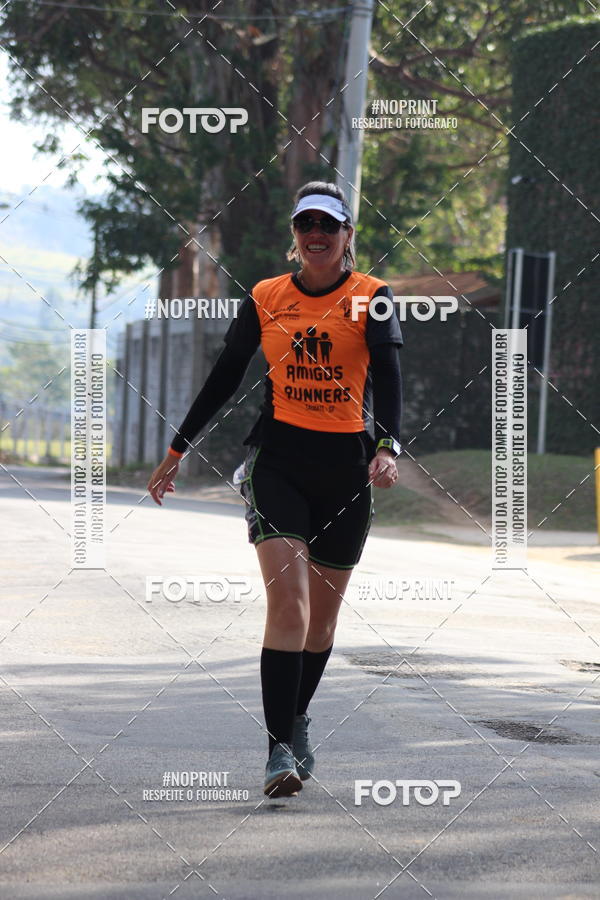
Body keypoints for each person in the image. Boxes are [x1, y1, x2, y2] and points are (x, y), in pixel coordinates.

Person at [147, 181, 403, 799]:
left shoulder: (373, 298)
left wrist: (388, 446)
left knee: (320, 623)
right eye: (306, 225)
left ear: (347, 237)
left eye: (328, 225)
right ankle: (278, 752)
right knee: (288, 603)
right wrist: (177, 448)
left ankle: (297, 720)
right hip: (278, 463)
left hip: (345, 469)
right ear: (295, 236)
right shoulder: (265, 297)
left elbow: (391, 380)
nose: (316, 234)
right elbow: (223, 377)